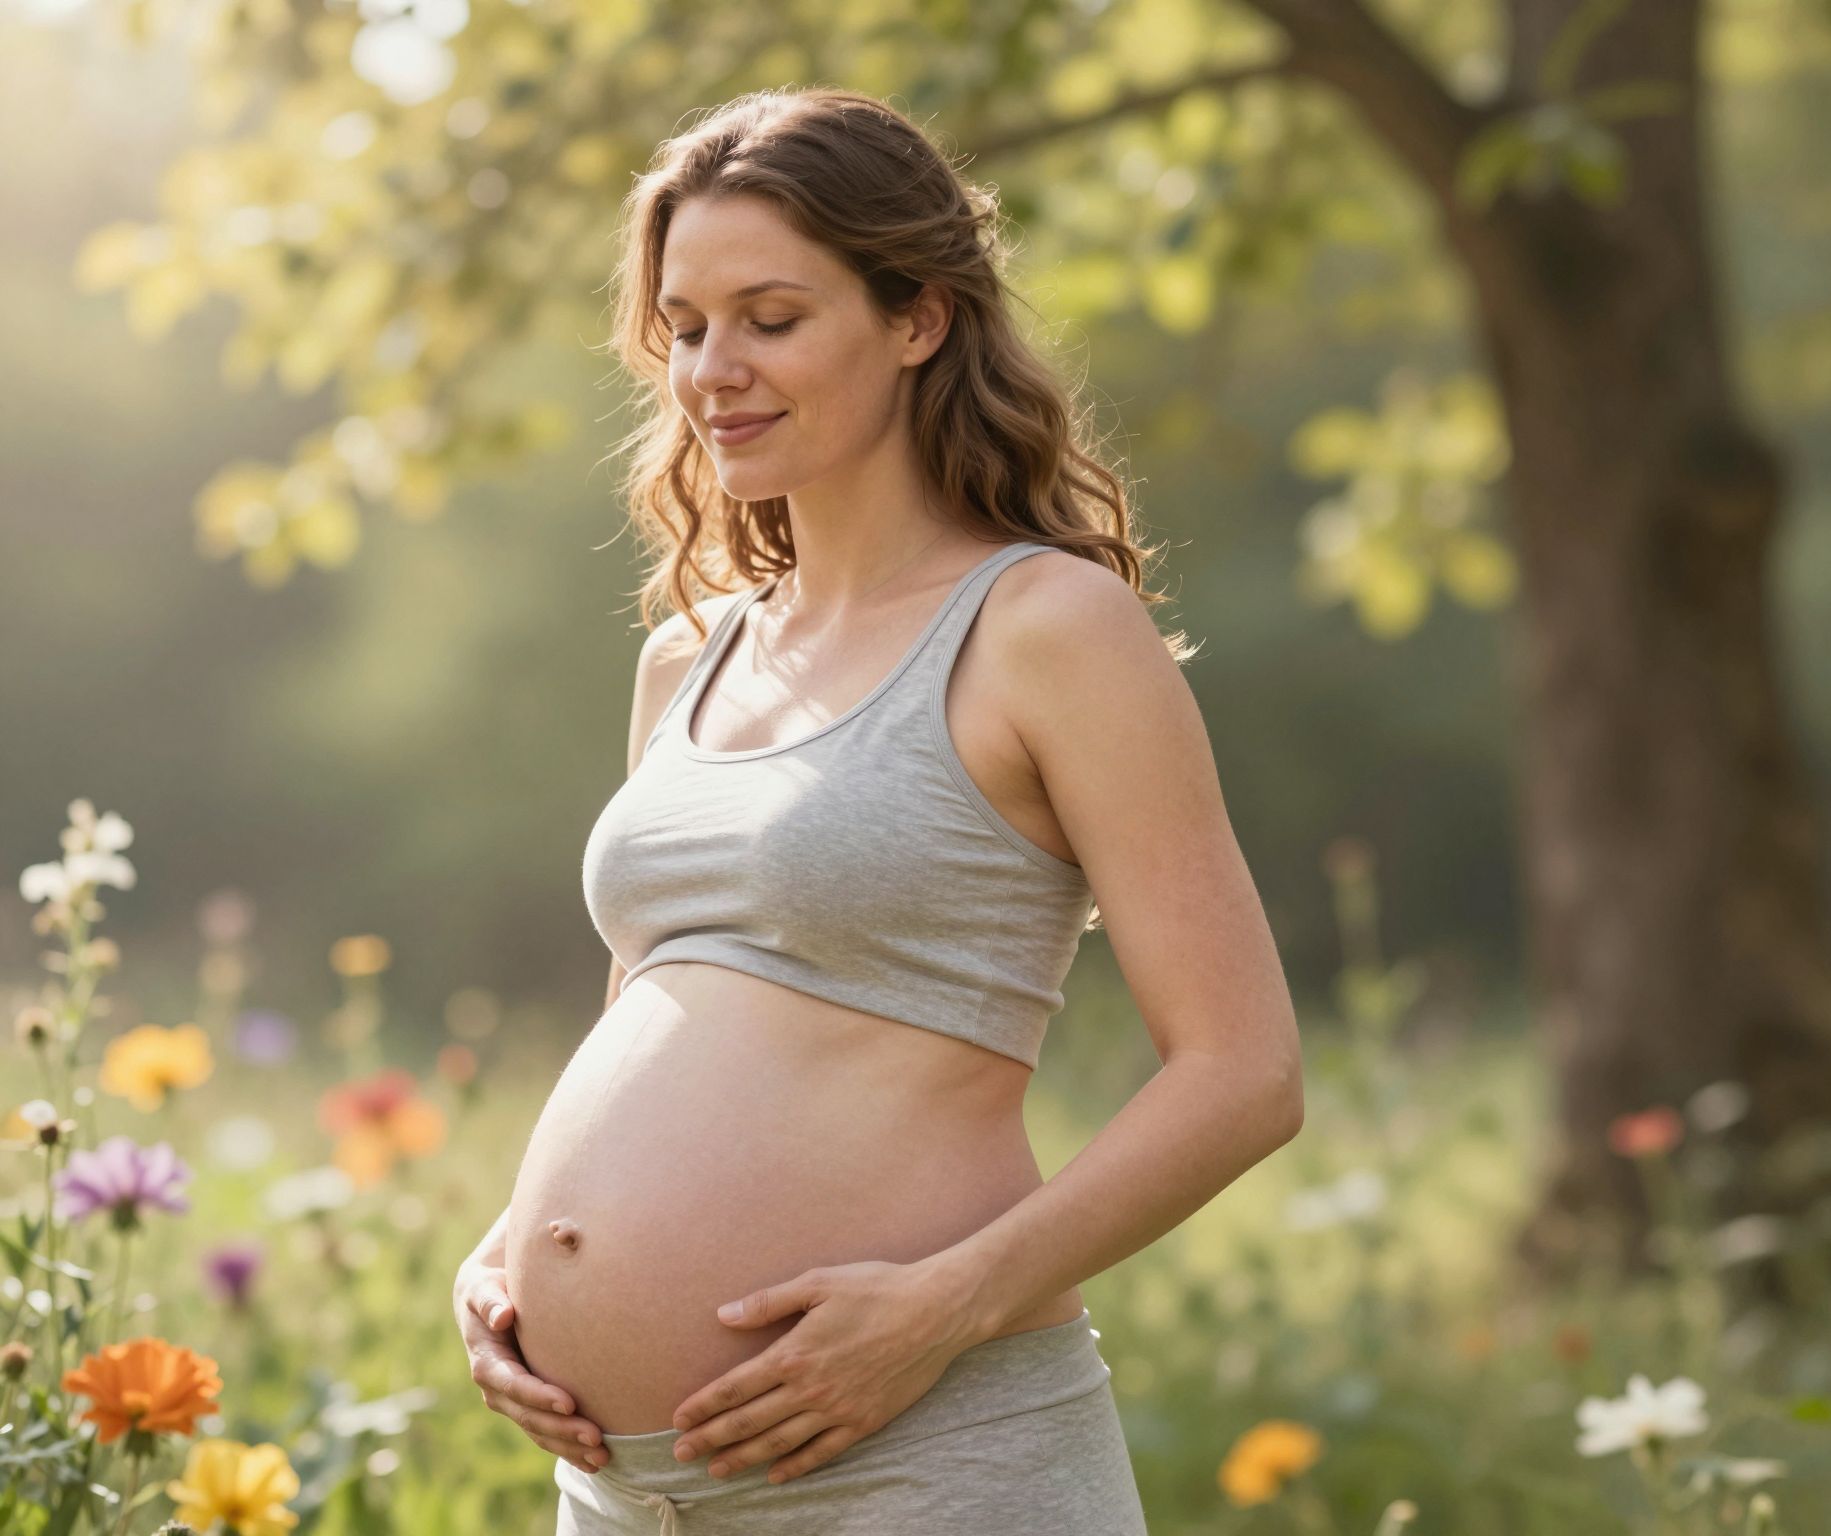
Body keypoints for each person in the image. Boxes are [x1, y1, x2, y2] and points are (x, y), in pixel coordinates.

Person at [450, 85, 1304, 1535]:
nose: (715, 371)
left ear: (920, 318)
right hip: (617, 1492)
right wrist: (509, 1259)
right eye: (686, 327)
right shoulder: (686, 657)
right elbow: (655, 1015)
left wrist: (947, 1305)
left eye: (773, 319)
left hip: (920, 1468)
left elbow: (1245, 1074)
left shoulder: (1045, 629)